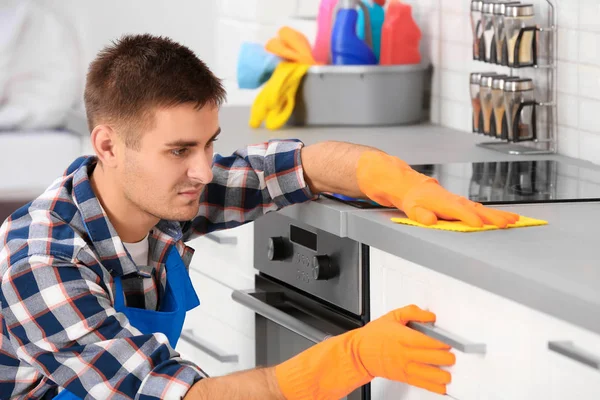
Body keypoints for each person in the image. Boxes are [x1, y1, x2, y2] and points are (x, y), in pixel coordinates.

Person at [0, 34, 518, 400]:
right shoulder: (41, 261)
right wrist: (350, 361)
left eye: (209, 144)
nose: (203, 171)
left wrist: (394, 178)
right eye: (180, 150)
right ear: (108, 145)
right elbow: (183, 398)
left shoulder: (146, 192)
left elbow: (296, 167)